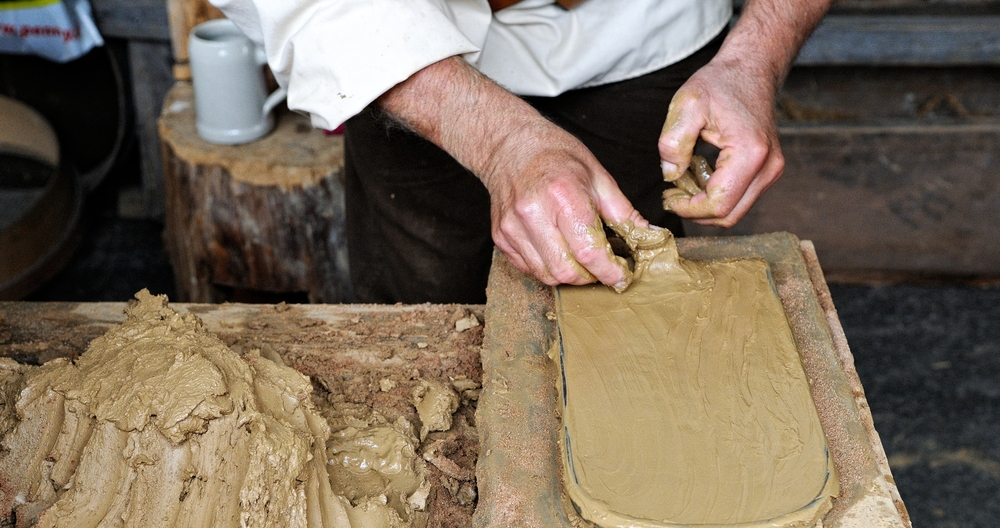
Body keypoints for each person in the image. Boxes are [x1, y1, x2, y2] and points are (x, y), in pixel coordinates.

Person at [212, 0, 832, 303]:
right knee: (430, 348)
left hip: (648, 34)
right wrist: (500, 140)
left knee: (634, 304)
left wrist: (755, 58)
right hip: (404, 48)